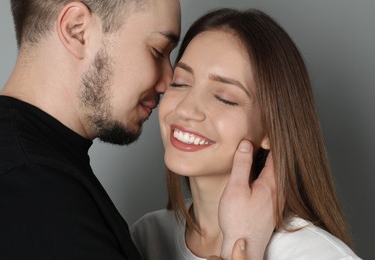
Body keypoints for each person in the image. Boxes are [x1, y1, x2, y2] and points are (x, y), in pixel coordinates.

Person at [0, 1, 276, 259]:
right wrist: (242, 246)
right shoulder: (30, 190)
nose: (167, 82)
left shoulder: (30, 171)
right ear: (77, 30)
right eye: (157, 50)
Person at [130, 8, 362, 260]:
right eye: (180, 83)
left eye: (224, 98)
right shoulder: (146, 237)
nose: (186, 109)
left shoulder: (315, 254)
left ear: (272, 130)